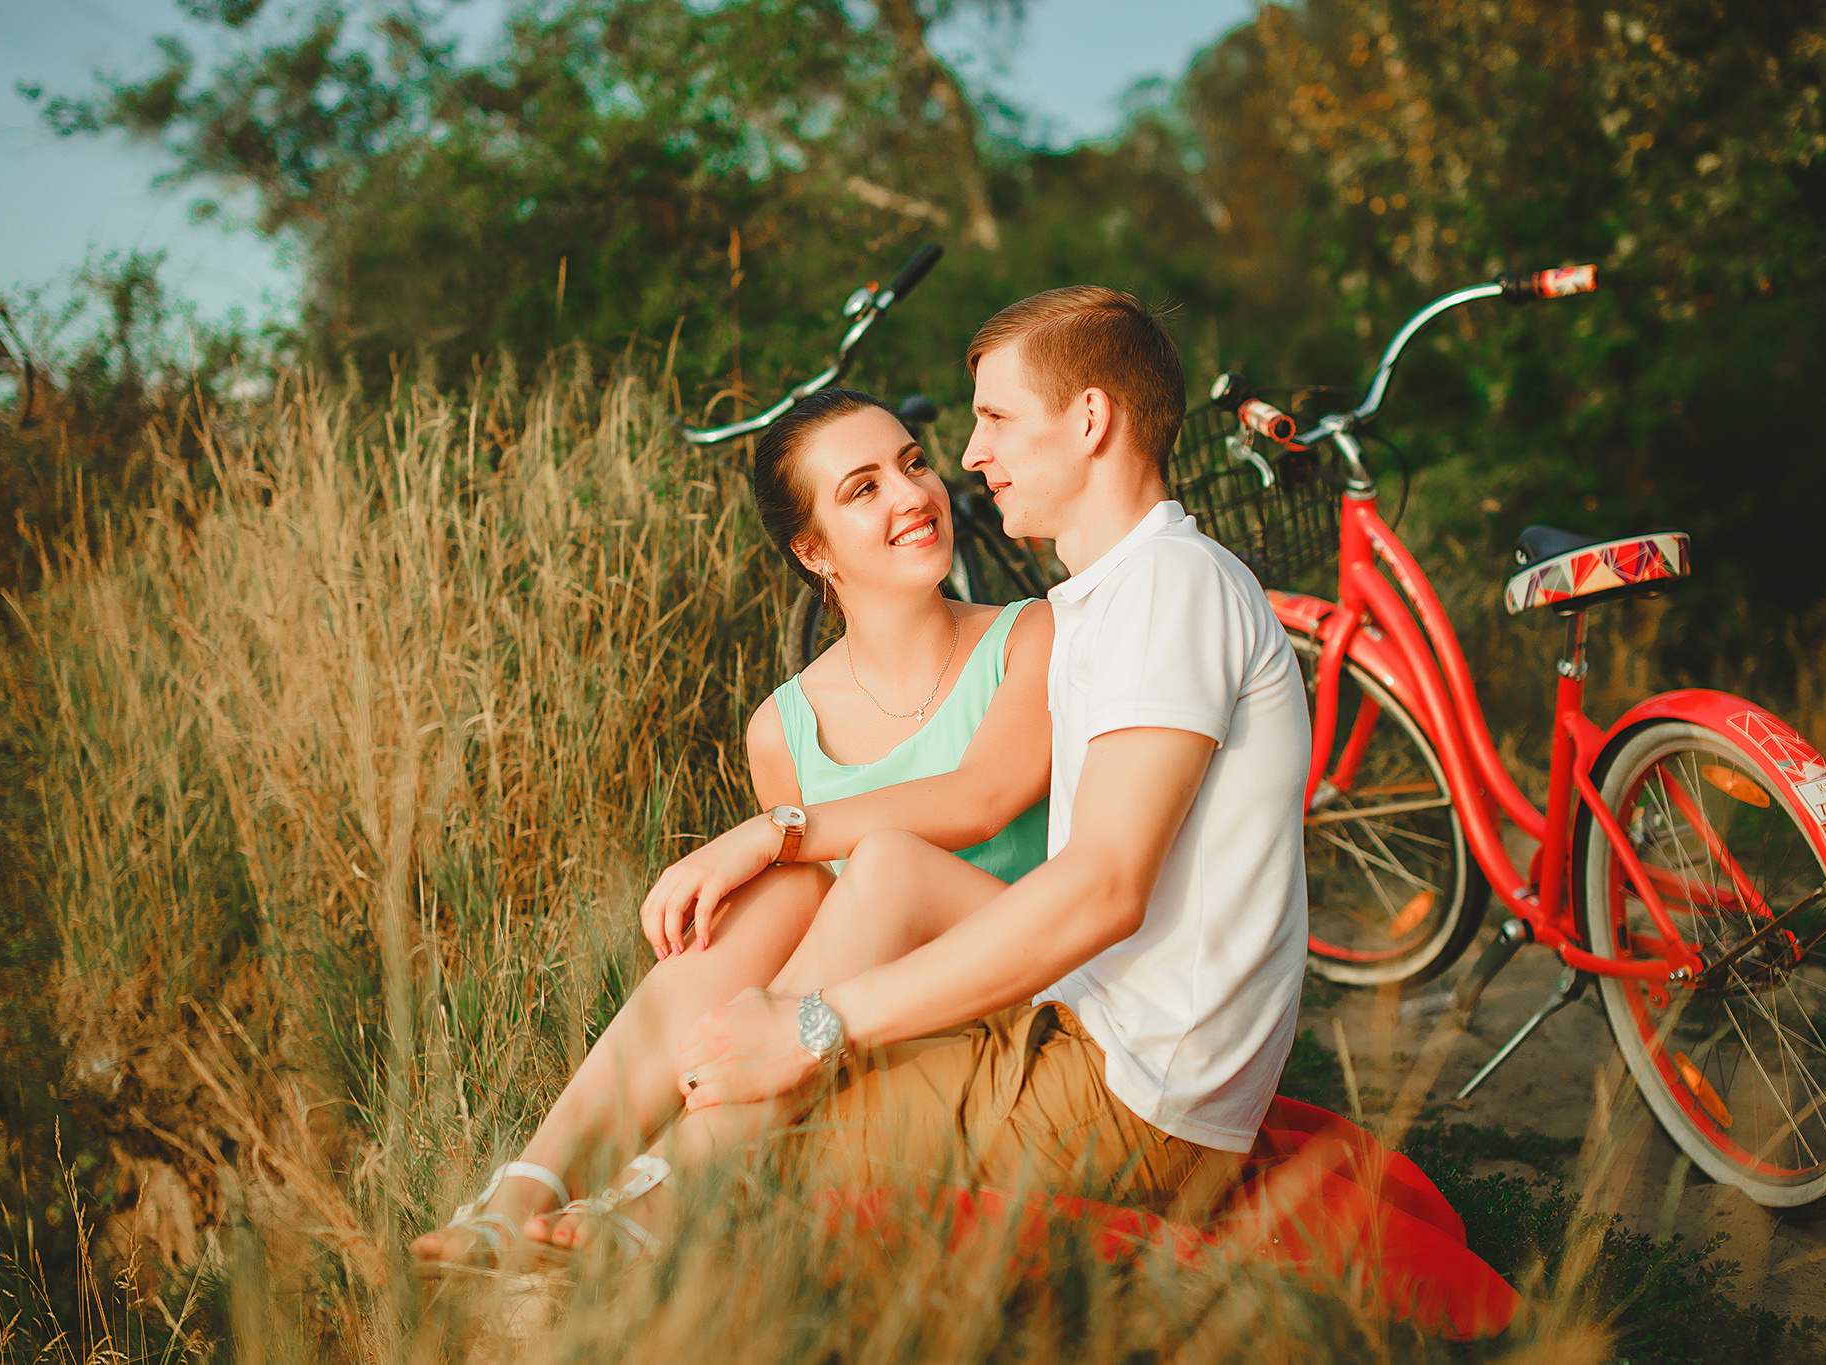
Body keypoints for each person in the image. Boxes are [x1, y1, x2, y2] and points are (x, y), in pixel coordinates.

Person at [525, 285, 1312, 1250]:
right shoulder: (1114, 598)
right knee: (871, 878)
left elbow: (1102, 886)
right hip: (1086, 1038)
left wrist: (812, 1025)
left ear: (1090, 419)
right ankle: (558, 1188)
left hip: (1131, 1094)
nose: (970, 458)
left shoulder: (1168, 588)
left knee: (764, 1154)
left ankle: (638, 1219)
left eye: (992, 419)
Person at [411, 388, 1055, 1272]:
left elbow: (982, 797)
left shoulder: (1033, 634)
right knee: (788, 888)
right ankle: (529, 1186)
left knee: (869, 864)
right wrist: (780, 846)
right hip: (863, 1027)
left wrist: (774, 828)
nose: (913, 495)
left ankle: (673, 1179)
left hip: (1023, 993)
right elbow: (808, 942)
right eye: (863, 488)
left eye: (912, 463)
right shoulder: (782, 726)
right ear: (812, 549)